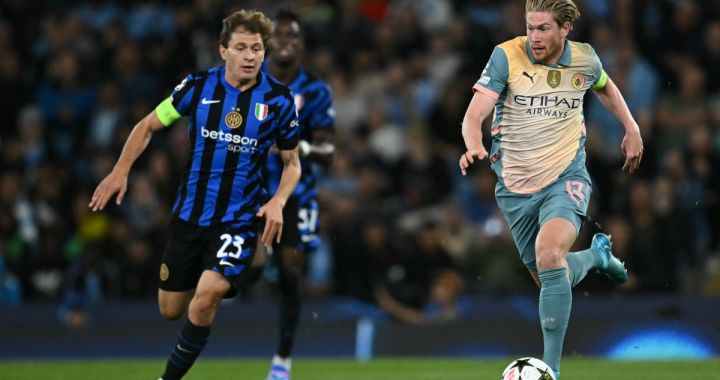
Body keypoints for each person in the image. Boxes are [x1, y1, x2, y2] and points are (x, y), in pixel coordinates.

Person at [88, 10, 301, 380]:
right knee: (171, 309)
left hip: (239, 219)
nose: (250, 56)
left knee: (205, 298)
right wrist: (120, 170)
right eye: (241, 47)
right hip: (190, 216)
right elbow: (148, 125)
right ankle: (246, 271)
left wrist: (278, 201)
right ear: (223, 51)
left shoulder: (279, 101)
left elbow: (292, 163)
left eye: (256, 48)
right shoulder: (197, 87)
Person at [458, 1, 643, 378]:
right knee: (549, 275)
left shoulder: (585, 60)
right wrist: (473, 142)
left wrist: (631, 127)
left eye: (544, 29)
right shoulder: (506, 56)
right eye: (531, 27)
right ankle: (595, 258)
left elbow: (605, 87)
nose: (535, 37)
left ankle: (550, 370)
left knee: (549, 254)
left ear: (565, 29)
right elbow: (475, 112)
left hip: (566, 178)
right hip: (514, 188)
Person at [260, 10, 336, 380]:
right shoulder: (250, 82)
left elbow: (328, 154)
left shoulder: (316, 91)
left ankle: (282, 361)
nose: (285, 43)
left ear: (302, 45)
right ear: (267, 43)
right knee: (249, 267)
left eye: (293, 38)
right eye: (279, 37)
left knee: (292, 270)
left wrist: (296, 148)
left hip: (296, 194)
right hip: (250, 190)